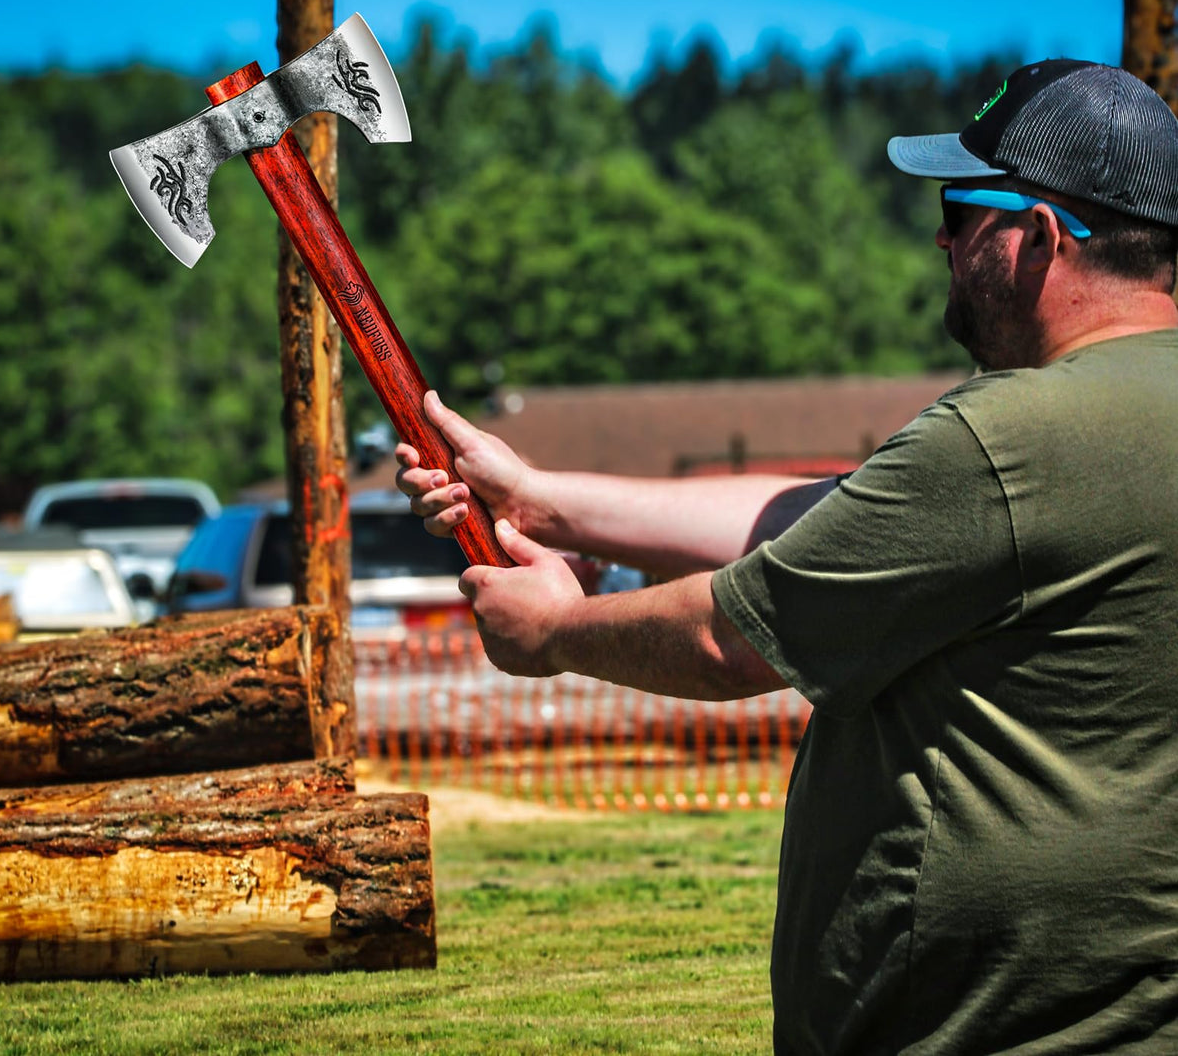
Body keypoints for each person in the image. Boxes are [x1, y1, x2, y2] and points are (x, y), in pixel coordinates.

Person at [395, 59, 1178, 1054]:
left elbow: (729, 638)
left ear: (1034, 236)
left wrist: (550, 631)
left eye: (960, 205)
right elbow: (834, 517)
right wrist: (547, 503)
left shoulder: (1002, 438)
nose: (942, 238)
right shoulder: (1078, 433)